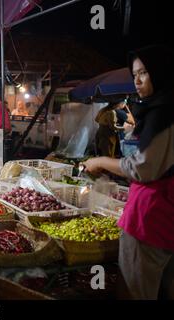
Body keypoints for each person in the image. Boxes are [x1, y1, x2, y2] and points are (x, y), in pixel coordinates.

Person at [83, 45, 174, 299]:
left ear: (160, 72)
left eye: (144, 72)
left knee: (135, 291)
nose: (137, 80)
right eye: (135, 74)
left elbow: (141, 168)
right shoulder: (161, 109)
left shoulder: (162, 114)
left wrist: (100, 161)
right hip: (167, 216)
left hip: (150, 218)